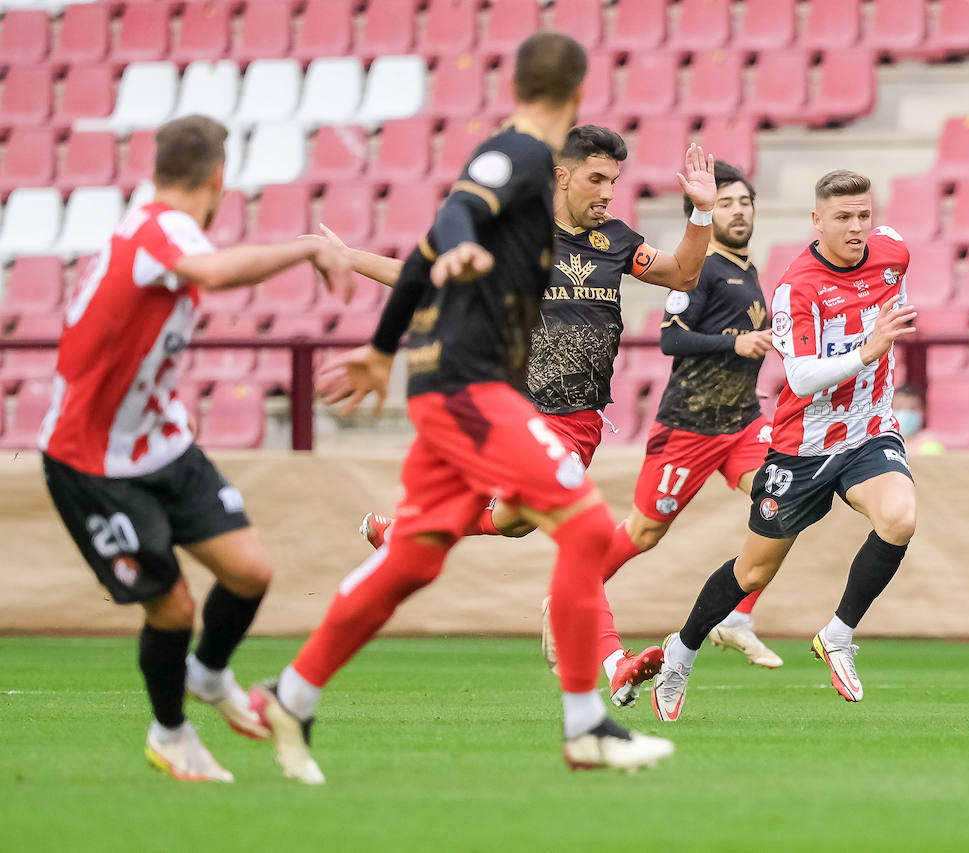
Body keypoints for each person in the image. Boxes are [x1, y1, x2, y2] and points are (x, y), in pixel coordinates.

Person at [248, 34, 674, 783]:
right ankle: (585, 725)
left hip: (457, 383)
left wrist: (381, 345)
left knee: (413, 558)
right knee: (584, 527)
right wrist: (458, 245)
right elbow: (454, 213)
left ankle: (291, 694)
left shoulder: (547, 201)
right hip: (470, 385)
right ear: (575, 94)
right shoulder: (521, 157)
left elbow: (419, 256)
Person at [335, 125, 720, 706]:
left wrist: (699, 213)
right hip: (519, 413)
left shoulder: (616, 240)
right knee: (580, 531)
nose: (606, 192)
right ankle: (613, 662)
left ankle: (401, 535)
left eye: (613, 181)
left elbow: (683, 274)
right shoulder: (520, 239)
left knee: (516, 520)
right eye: (596, 179)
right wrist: (350, 259)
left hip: (581, 421)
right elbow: (424, 276)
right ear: (561, 177)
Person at [38, 114, 355, 781]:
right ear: (218, 177)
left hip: (161, 442)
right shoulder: (156, 228)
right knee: (174, 605)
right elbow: (210, 272)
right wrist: (306, 247)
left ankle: (209, 674)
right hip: (92, 458)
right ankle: (170, 733)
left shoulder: (150, 224)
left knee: (249, 571)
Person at [650, 170, 918, 722]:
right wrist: (870, 351)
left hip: (868, 430)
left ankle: (838, 635)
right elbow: (800, 379)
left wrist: (877, 355)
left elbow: (892, 263)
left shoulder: (893, 254)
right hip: (802, 446)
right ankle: (681, 652)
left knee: (899, 518)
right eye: (843, 217)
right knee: (752, 574)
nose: (856, 227)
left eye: (863, 215)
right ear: (816, 221)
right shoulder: (797, 286)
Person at [602, 161, 784, 670]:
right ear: (705, 212)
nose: (739, 210)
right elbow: (670, 338)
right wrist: (737, 342)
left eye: (745, 201)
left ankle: (736, 618)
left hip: (742, 421)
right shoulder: (698, 266)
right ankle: (575, 592)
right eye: (725, 203)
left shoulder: (747, 269)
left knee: (782, 500)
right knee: (644, 532)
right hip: (690, 426)